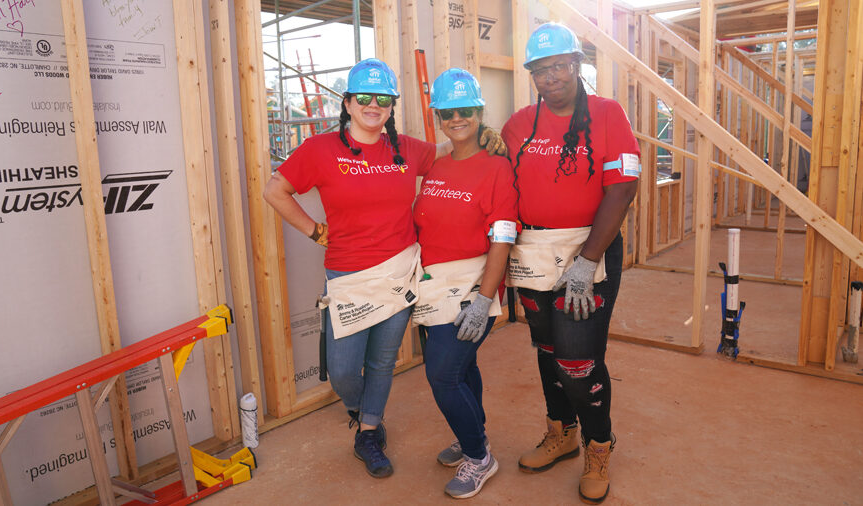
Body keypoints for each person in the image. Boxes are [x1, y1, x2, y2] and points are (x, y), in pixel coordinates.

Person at [263, 59, 505, 479]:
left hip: (399, 271)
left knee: (381, 363)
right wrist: (314, 230)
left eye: (383, 99)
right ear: (348, 102)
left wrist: (487, 135)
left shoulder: (407, 150)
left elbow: (453, 148)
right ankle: (362, 409)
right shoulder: (321, 149)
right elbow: (275, 189)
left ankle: (369, 431)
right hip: (348, 274)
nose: (373, 106)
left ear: (391, 106)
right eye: (364, 98)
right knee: (342, 369)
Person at [500, 23, 640, 505]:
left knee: (577, 359)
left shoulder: (606, 114)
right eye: (541, 69)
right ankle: (561, 433)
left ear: (576, 65)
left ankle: (599, 444)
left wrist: (588, 261)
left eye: (559, 65)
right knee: (546, 350)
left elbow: (622, 188)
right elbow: (501, 188)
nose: (551, 77)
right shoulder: (518, 124)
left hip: (589, 253)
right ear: (532, 75)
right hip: (533, 253)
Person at [411, 68, 517, 499]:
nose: (457, 118)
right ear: (438, 116)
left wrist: (483, 298)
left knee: (443, 373)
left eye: (466, 111)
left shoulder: (497, 168)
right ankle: (472, 431)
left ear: (479, 113)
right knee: (463, 367)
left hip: (472, 286)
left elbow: (503, 236)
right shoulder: (435, 163)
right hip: (431, 286)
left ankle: (479, 456)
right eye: (448, 112)